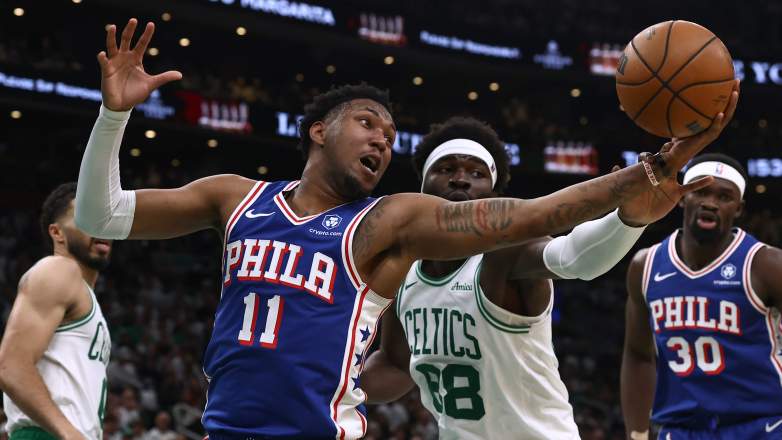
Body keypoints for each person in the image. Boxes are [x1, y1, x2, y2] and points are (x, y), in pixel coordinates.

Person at [75, 18, 737, 439]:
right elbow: (99, 216)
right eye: (368, 124)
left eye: (391, 136)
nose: (382, 140)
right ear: (319, 130)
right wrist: (113, 116)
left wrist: (637, 181)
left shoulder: (390, 221)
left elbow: (543, 223)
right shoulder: (234, 197)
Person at [359, 116, 678, 438]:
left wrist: (627, 221)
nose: (460, 179)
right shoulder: (404, 272)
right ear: (422, 188)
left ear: (495, 194)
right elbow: (397, 366)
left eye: (476, 173)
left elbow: (573, 258)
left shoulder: (505, 254)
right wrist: (333, 381)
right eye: (445, 169)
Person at [621, 153, 782, 440]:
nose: (710, 202)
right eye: (701, 191)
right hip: (681, 430)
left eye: (724, 196)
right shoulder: (645, 266)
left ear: (739, 208)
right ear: (683, 197)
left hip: (761, 427)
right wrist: (637, 434)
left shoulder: (766, 265)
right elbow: (638, 355)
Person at [0, 183, 113, 440]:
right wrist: (69, 433)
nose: (101, 226)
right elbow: (10, 367)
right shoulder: (58, 270)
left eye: (105, 219)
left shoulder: (84, 296)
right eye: (87, 217)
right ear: (57, 232)